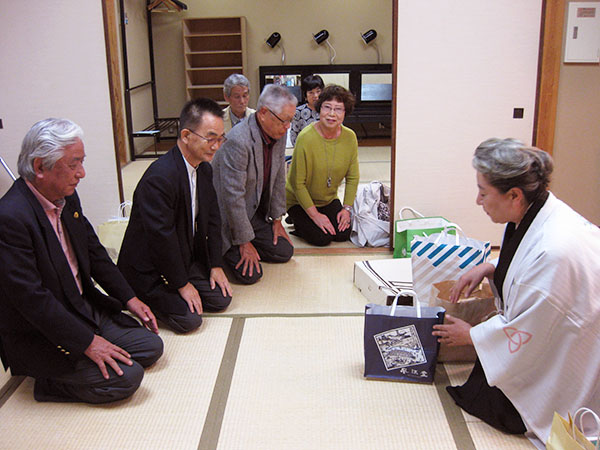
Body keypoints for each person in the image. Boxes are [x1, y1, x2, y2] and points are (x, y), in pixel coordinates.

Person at [432, 138, 600, 442]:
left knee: (492, 403)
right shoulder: (540, 210)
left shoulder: (553, 252)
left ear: (514, 194)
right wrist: (491, 266)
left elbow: (532, 328)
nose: (477, 200)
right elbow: (527, 255)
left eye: (483, 192)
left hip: (582, 345)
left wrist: (471, 336)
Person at [0, 118, 163, 404]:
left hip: (81, 306)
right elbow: (32, 300)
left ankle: (93, 343)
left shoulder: (66, 197)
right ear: (40, 167)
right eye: (74, 164)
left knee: (151, 347)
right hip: (44, 329)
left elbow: (94, 253)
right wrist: (89, 343)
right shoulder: (10, 218)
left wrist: (129, 298)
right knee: (128, 378)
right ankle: (48, 385)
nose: (82, 173)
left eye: (81, 162)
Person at [118, 98, 232, 334]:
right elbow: (162, 238)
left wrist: (216, 264)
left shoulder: (203, 169)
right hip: (148, 267)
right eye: (210, 138)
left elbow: (212, 219)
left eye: (220, 138)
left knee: (221, 299)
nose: (216, 146)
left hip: (180, 256)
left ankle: (179, 285)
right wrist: (182, 284)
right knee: (190, 320)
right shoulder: (160, 178)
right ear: (186, 135)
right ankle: (141, 294)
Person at [211, 84, 296, 284]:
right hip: (227, 219)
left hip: (254, 212)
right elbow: (232, 197)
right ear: (264, 113)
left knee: (284, 251)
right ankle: (224, 251)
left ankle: (250, 243)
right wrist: (244, 241)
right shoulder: (238, 141)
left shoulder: (278, 132)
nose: (288, 127)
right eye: (285, 120)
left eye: (290, 121)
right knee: (250, 276)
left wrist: (276, 219)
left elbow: (278, 178)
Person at [285, 85, 359, 246]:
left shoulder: (350, 137)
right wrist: (315, 216)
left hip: (328, 199)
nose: (332, 114)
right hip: (299, 200)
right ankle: (298, 220)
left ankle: (311, 220)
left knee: (343, 234)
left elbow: (352, 177)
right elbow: (298, 184)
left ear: (345, 112)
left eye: (338, 109)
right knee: (321, 238)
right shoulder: (306, 138)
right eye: (327, 107)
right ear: (319, 109)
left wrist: (346, 209)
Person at [289, 74, 324, 146]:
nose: (315, 96)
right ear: (305, 95)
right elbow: (294, 137)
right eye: (311, 92)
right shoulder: (298, 112)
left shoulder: (328, 110)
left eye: (318, 91)